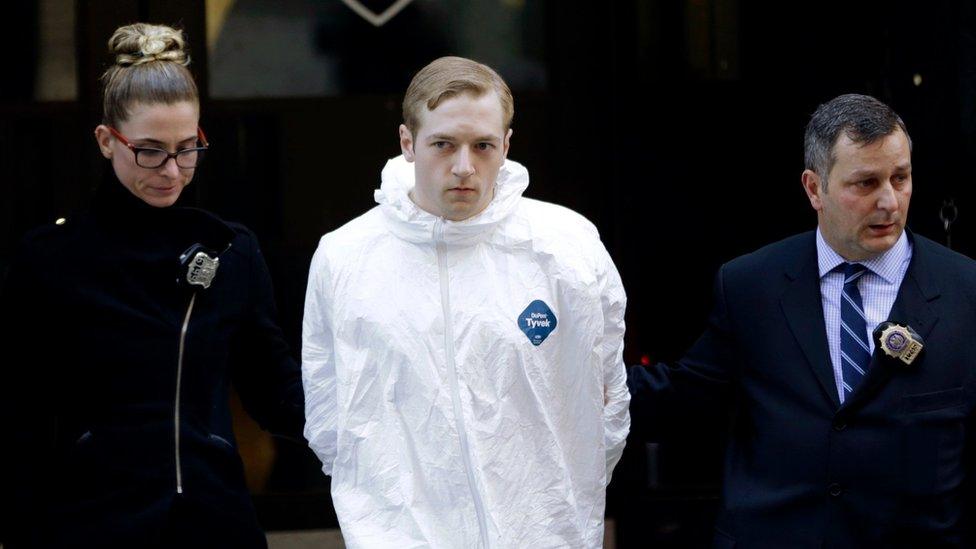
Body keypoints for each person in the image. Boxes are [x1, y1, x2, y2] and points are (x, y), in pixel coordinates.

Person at [302, 56, 630, 548]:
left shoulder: (566, 245)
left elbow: (607, 397)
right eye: (443, 144)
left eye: (482, 146)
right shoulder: (346, 255)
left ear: (507, 145)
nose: (463, 166)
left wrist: (562, 505)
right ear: (408, 143)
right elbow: (328, 408)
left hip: (544, 532)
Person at [0, 23, 304, 549]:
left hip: (213, 519)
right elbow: (18, 410)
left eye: (188, 149)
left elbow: (275, 390)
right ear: (105, 140)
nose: (172, 170)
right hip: (88, 522)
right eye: (150, 150)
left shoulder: (232, 250)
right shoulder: (52, 258)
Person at [628, 93, 976, 547]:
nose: (889, 201)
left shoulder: (965, 290)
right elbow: (687, 397)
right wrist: (562, 378)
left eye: (901, 177)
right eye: (866, 183)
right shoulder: (752, 285)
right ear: (814, 189)